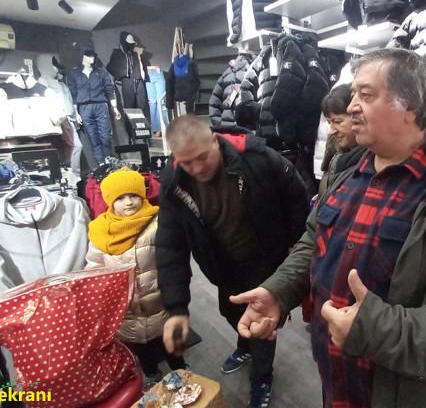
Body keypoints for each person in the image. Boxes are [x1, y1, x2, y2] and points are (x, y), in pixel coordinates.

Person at [230, 48, 426, 408]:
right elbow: (314, 240)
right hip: (338, 387)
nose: (351, 107)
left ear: (410, 107)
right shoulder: (345, 174)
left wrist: (378, 331)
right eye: (353, 95)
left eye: (366, 94)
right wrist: (279, 291)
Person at [155, 117, 309, 408]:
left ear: (215, 141)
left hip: (265, 258)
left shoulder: (258, 158)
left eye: (203, 157)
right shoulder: (175, 183)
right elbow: (170, 246)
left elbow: (297, 197)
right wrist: (176, 308)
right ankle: (245, 345)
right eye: (187, 163)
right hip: (221, 264)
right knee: (230, 312)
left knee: (261, 325)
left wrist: (296, 247)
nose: (197, 168)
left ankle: (261, 377)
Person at [84, 169, 187, 386]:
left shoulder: (158, 222)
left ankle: (180, 370)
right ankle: (150, 373)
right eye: (120, 198)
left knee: (169, 343)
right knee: (140, 346)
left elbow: (172, 260)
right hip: (126, 308)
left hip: (158, 301)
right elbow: (95, 267)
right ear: (110, 201)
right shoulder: (100, 231)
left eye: (134, 195)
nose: (129, 202)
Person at [317, 83, 363, 197]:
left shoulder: (368, 164)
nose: (332, 130)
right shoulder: (334, 153)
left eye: (337, 121)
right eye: (329, 123)